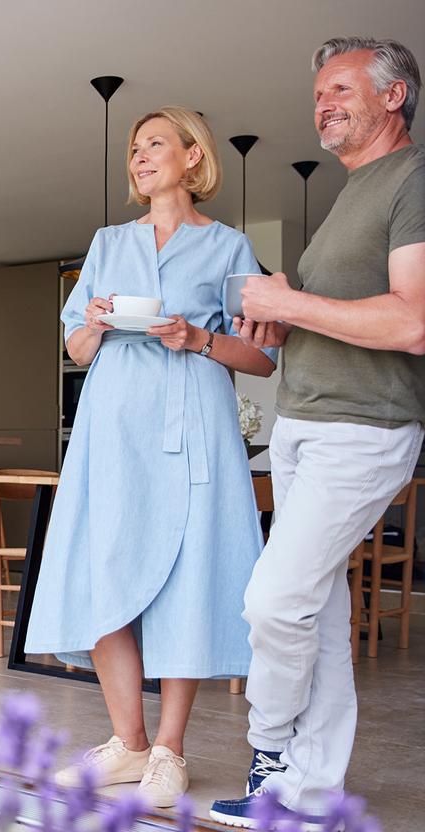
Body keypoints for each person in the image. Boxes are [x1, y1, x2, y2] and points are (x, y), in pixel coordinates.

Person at [24, 106, 277, 808]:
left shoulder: (228, 246)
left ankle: (170, 750)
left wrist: (196, 338)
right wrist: (98, 322)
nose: (138, 157)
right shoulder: (107, 243)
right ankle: (128, 743)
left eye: (154, 144)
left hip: (193, 421)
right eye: (133, 148)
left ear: (194, 157)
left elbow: (259, 355)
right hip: (112, 427)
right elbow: (73, 346)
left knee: (188, 575)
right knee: (104, 566)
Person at [210, 37, 425, 828]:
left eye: (339, 90)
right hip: (302, 423)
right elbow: (338, 322)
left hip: (362, 429)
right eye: (318, 97)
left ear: (394, 96)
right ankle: (313, 792)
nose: (321, 106)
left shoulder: (413, 178)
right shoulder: (353, 193)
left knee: (275, 599)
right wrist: (277, 322)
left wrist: (288, 301)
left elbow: (413, 321)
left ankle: (270, 752)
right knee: (318, 614)